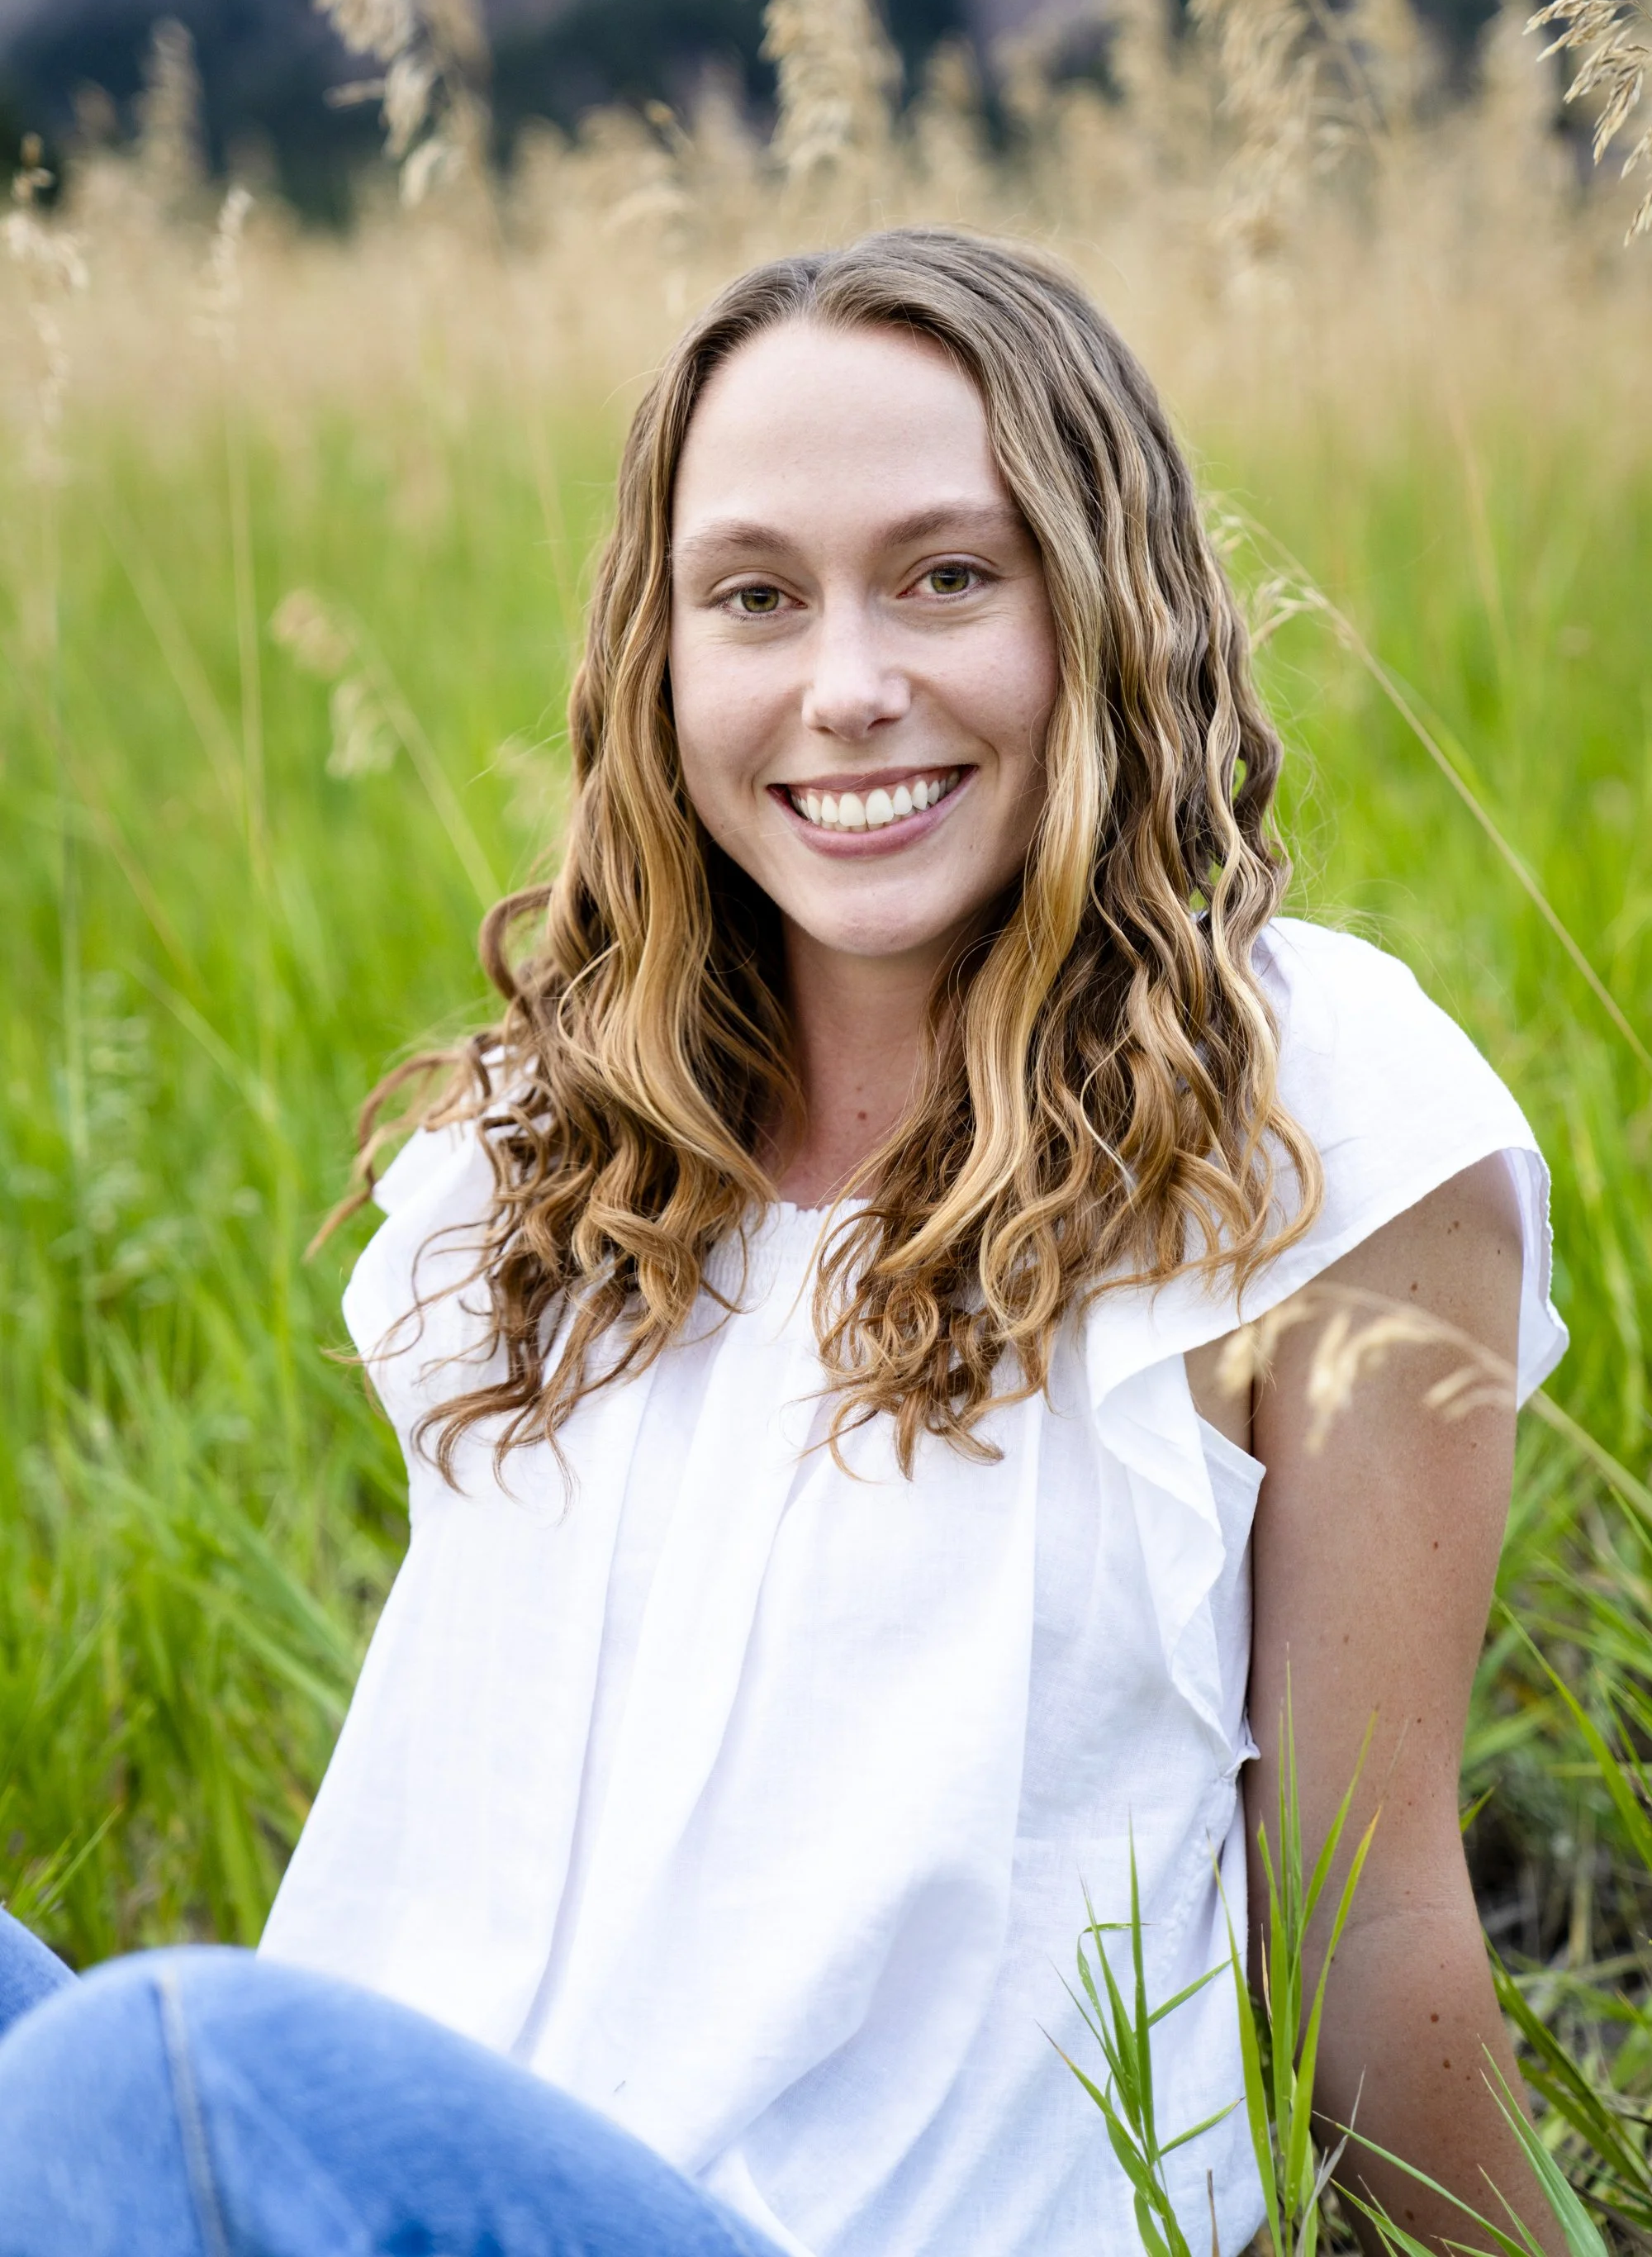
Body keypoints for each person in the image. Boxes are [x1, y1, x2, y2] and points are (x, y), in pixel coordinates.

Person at [0, 228, 1567, 2257]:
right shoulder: (541, 1146)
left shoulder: (1313, 1119)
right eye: (755, 598)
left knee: (170, 2076)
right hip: (405, 2182)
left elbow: (1365, 1911)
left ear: (1104, 609)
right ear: (662, 662)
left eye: (945, 578)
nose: (845, 688)